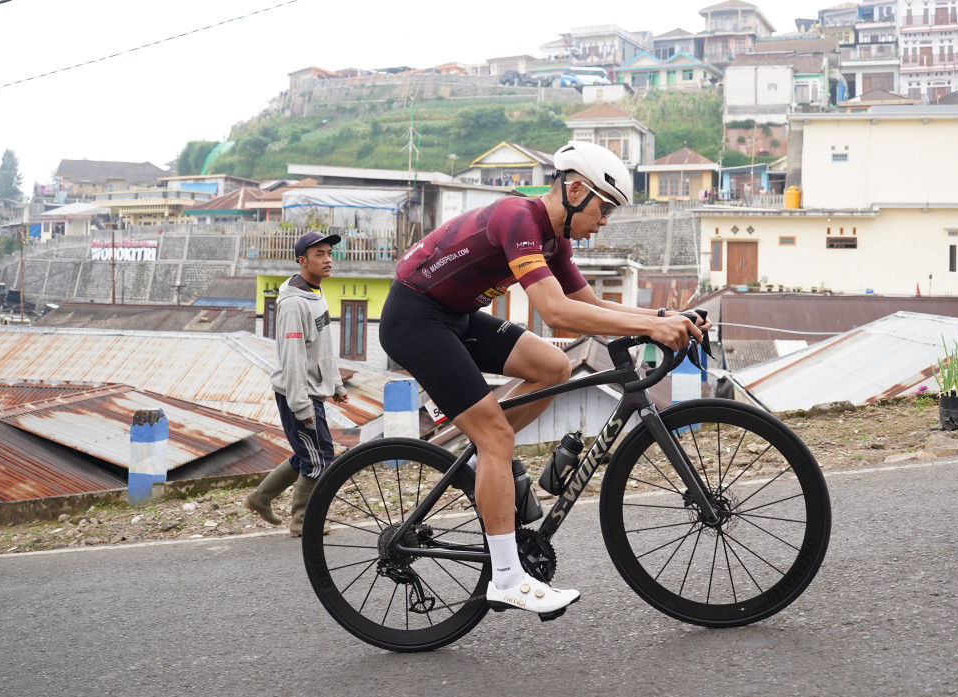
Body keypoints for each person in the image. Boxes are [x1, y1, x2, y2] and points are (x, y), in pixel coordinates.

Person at [378, 141, 707, 615]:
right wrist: (655, 327)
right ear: (575, 190)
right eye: (604, 207)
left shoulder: (555, 240)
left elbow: (589, 307)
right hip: (414, 318)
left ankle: (488, 460)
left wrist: (662, 317)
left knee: (553, 367)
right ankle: (507, 578)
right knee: (495, 436)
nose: (605, 220)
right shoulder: (518, 219)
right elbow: (555, 313)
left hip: (455, 317)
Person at [244, 231, 352, 536]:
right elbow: (292, 358)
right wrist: (301, 405)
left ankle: (260, 497)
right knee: (320, 458)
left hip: (311, 390)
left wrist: (335, 385)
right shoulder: (294, 304)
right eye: (319, 254)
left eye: (329, 253)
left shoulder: (315, 293)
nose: (328, 260)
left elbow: (322, 348)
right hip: (298, 393)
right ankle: (302, 522)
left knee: (310, 453)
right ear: (302, 261)